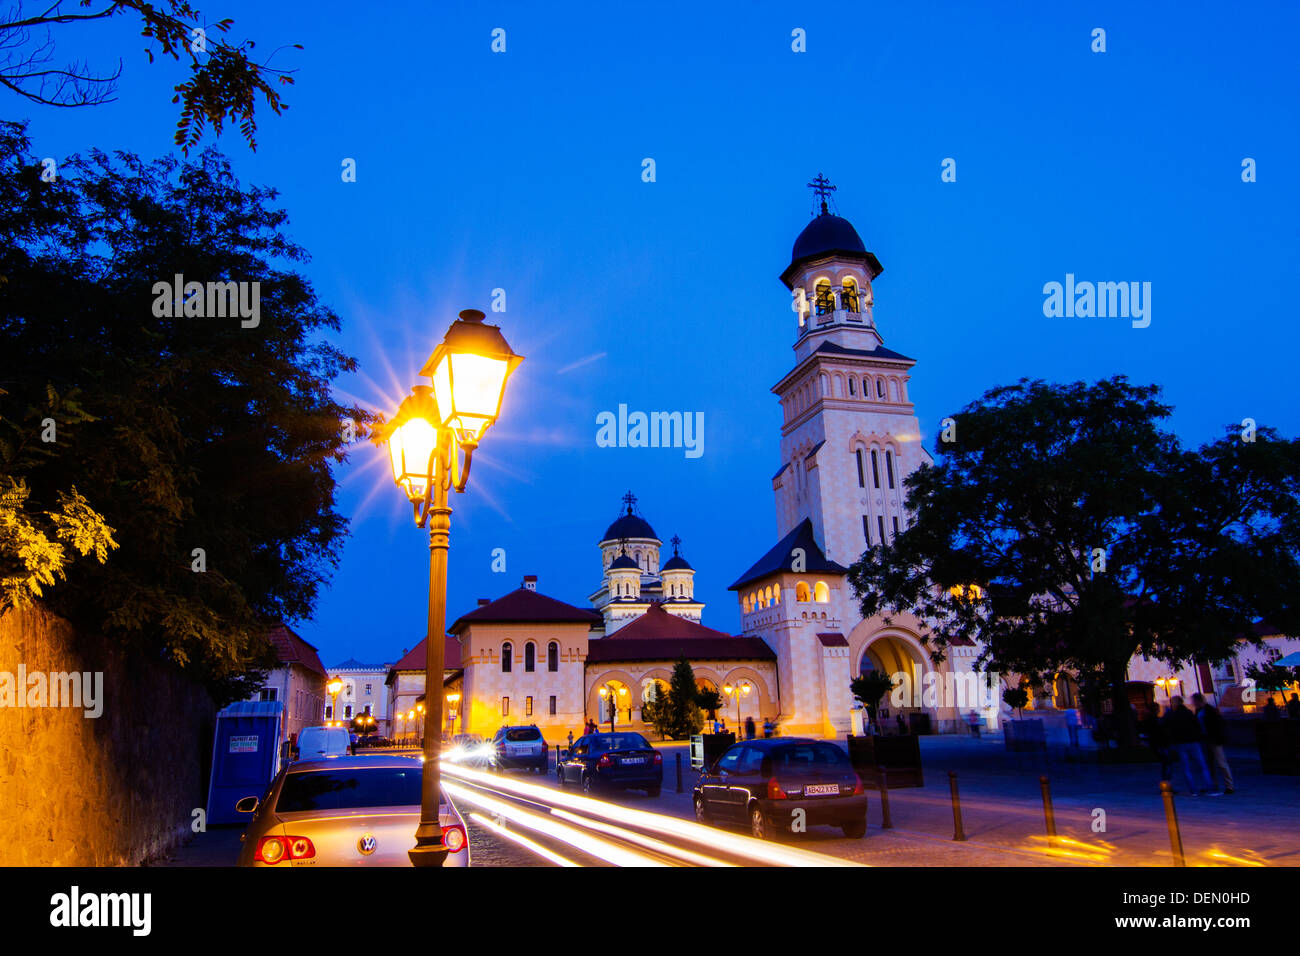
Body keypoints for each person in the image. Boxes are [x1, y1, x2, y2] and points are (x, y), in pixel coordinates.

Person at [1163, 696, 1218, 795]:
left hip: (1181, 743)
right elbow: (1197, 726)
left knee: (1186, 768)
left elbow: (1168, 728)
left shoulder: (1172, 715)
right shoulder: (1188, 713)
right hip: (1193, 741)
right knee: (1202, 765)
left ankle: (1193, 790)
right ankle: (1209, 787)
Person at [1192, 693, 1234, 794]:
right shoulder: (1199, 710)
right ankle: (1213, 784)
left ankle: (1229, 785)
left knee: (1221, 763)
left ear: (1199, 701)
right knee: (1209, 764)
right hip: (1205, 739)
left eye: (1195, 701)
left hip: (1214, 739)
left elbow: (1217, 725)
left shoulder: (1209, 710)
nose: (1193, 703)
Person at [1138, 701, 1171, 782]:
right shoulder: (1153, 720)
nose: (1159, 710)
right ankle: (1166, 781)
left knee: (1165, 762)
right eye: (1158, 709)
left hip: (1157, 744)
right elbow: (1159, 732)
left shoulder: (1149, 720)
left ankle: (1166, 780)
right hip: (1159, 744)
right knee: (1166, 762)